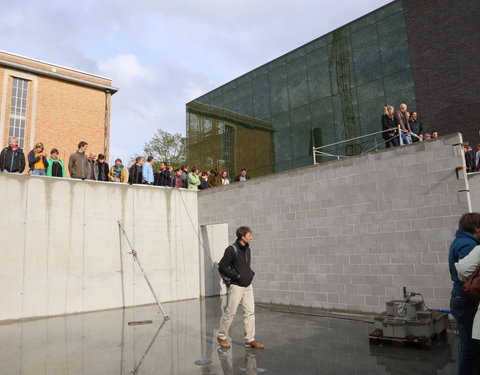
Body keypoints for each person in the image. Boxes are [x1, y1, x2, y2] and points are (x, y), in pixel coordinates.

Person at [217, 226, 264, 350]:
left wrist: (249, 274)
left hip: (248, 285)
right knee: (230, 313)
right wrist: (236, 275)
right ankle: (221, 336)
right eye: (249, 235)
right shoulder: (231, 250)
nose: (251, 237)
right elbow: (222, 266)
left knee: (249, 312)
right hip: (236, 286)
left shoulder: (248, 249)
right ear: (242, 237)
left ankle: (250, 340)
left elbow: (245, 266)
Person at [448, 213, 480, 374]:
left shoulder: (461, 241)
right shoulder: (468, 245)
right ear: (477, 229)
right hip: (466, 300)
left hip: (460, 299)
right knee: (471, 347)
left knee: (469, 345)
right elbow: (470, 276)